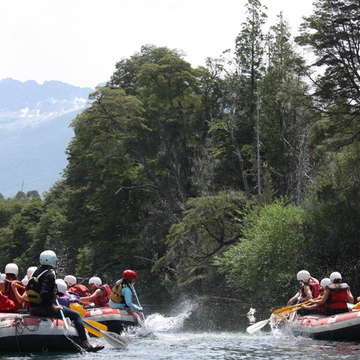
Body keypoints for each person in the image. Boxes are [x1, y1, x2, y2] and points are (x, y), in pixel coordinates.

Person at [27, 250, 103, 352]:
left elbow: (31, 290)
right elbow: (44, 293)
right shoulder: (49, 274)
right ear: (52, 261)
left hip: (33, 309)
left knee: (69, 312)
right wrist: (52, 307)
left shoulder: (36, 272)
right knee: (76, 315)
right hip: (45, 310)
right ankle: (86, 344)